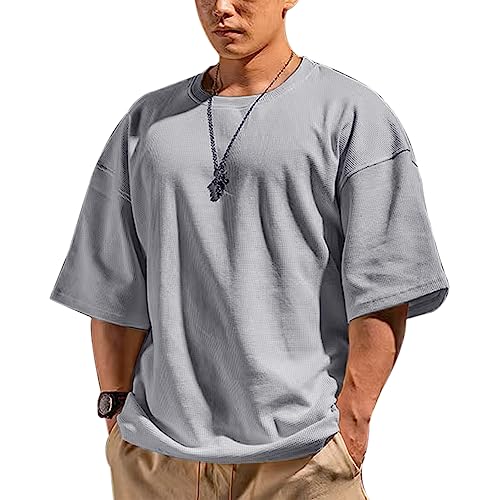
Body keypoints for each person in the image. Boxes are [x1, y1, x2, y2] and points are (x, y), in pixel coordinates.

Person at [49, 0, 450, 498]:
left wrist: (353, 421)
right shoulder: (147, 123)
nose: (221, 8)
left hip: (304, 458)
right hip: (158, 458)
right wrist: (114, 411)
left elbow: (387, 283)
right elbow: (112, 282)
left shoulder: (351, 114)